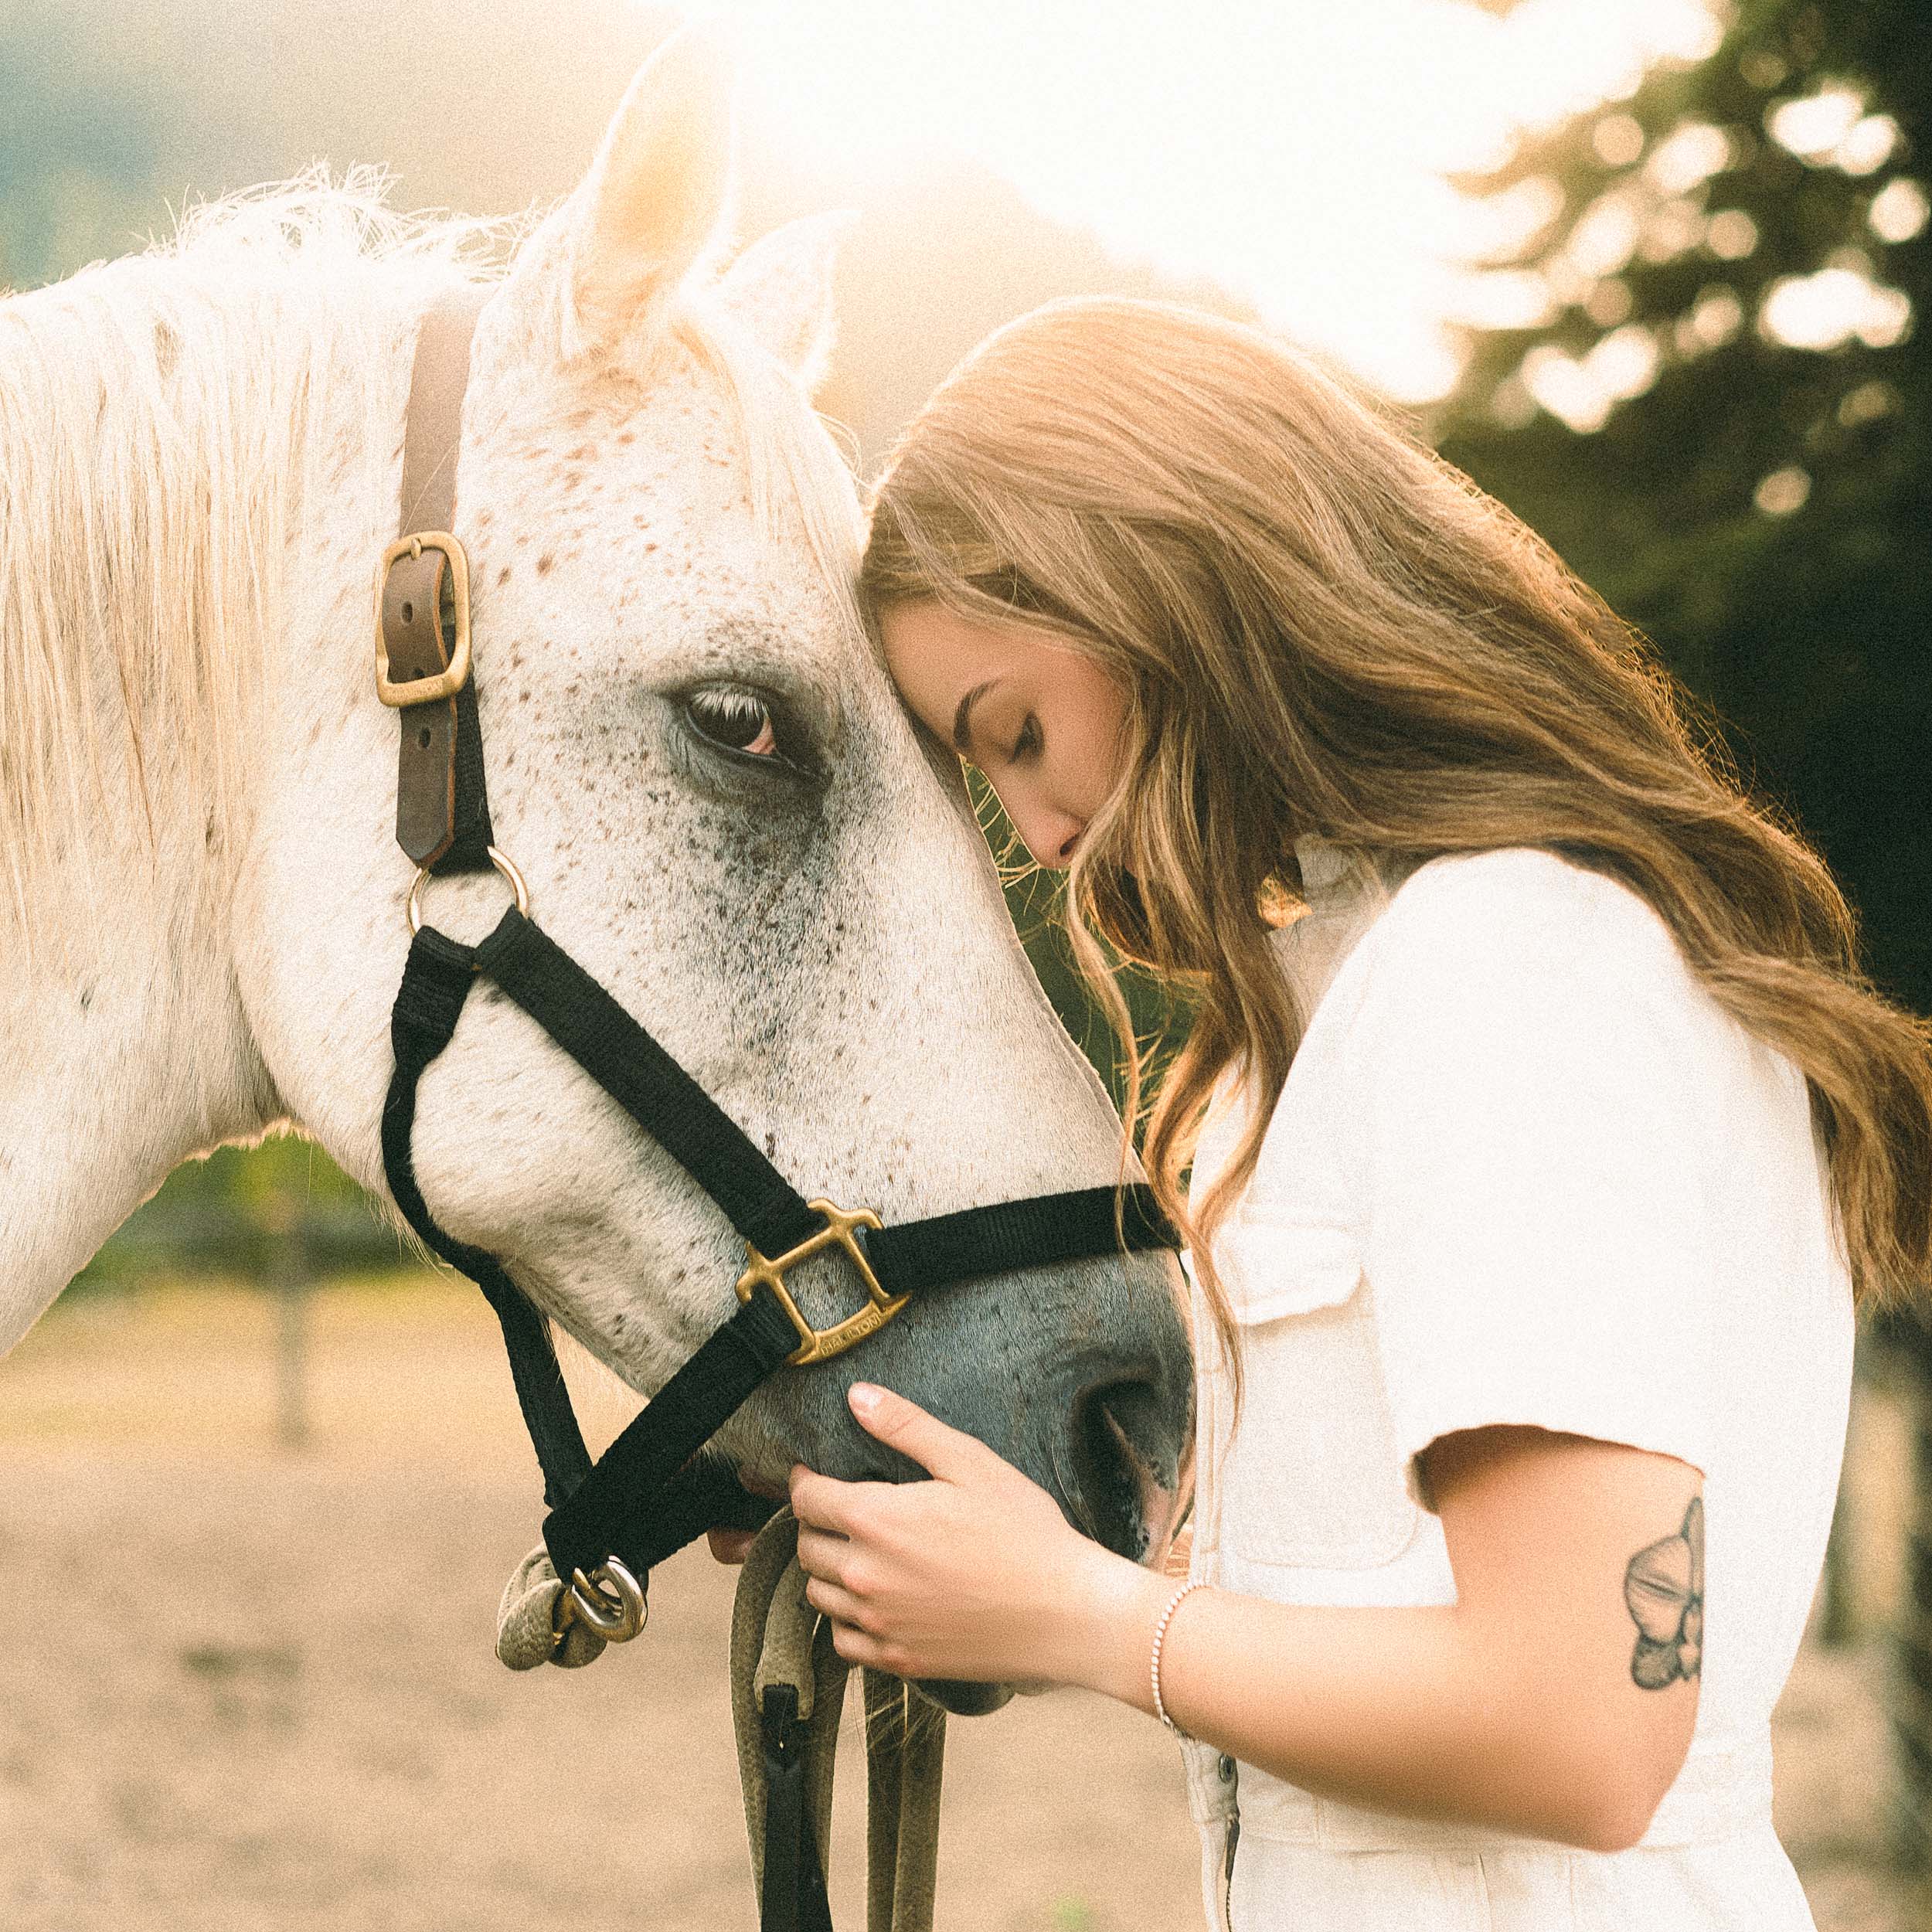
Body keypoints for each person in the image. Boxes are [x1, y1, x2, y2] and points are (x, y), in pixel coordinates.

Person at [771, 297, 1932, 1930]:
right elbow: (1379, 1597)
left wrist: (1088, 1618)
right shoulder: (1341, 1010)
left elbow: (1581, 1722)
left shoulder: (1511, 967)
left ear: (1160, 584)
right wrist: (950, 1558)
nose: (1031, 831)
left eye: (1016, 734)